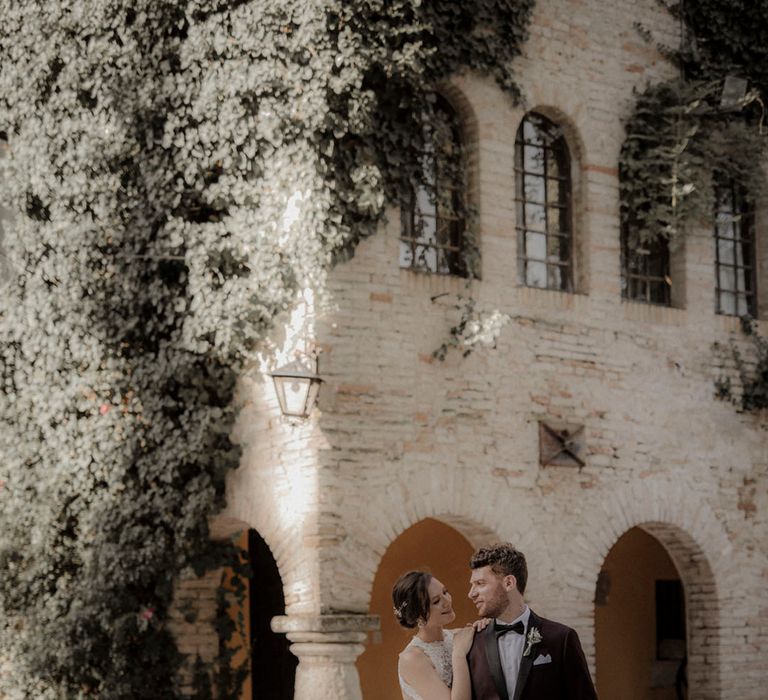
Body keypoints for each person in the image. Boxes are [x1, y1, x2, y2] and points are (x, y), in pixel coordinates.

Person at [465, 543, 598, 700]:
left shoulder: (561, 639)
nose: (471, 594)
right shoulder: (471, 643)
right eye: (472, 585)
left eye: (480, 583)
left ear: (509, 583)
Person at [393, 570, 483, 700]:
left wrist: (483, 626)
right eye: (436, 601)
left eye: (445, 592)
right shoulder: (411, 659)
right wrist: (458, 654)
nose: (447, 601)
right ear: (418, 615)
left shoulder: (459, 635)